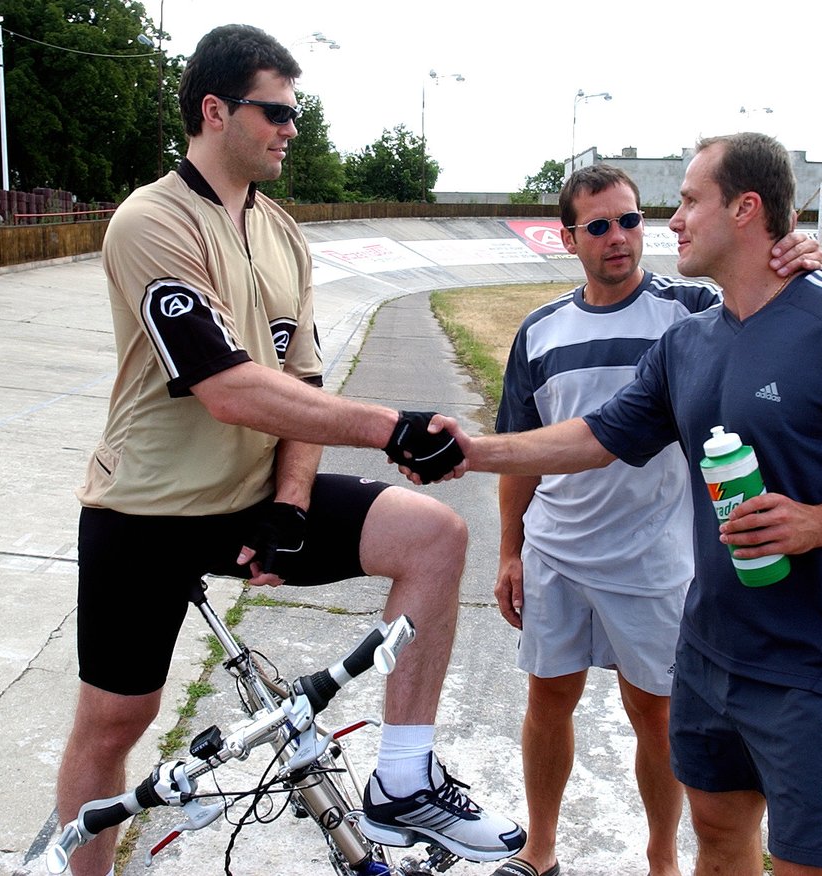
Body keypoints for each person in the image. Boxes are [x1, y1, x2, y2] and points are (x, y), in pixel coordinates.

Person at [411, 133, 822, 876]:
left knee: (811, 862)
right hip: (713, 649)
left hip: (819, 664)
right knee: (717, 838)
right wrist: (473, 448)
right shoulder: (689, 342)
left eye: (688, 201)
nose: (671, 220)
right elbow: (596, 436)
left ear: (747, 208)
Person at [55, 24, 522, 876]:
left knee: (436, 538)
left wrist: (292, 501)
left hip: (248, 498)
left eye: (294, 114)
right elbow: (227, 386)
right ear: (214, 110)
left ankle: (405, 780)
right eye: (276, 111)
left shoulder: (283, 232)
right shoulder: (150, 221)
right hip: (145, 511)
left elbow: (300, 389)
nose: (291, 129)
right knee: (115, 724)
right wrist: (391, 428)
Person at [489, 164, 822, 876]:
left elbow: (768, 303)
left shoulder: (691, 312)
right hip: (555, 551)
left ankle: (662, 858)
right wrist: (509, 552)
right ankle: (540, 849)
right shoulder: (540, 331)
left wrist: (797, 259)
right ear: (568, 237)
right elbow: (522, 454)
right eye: (601, 226)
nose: (621, 238)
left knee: (657, 714)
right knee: (549, 699)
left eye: (632, 220)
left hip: (653, 558)